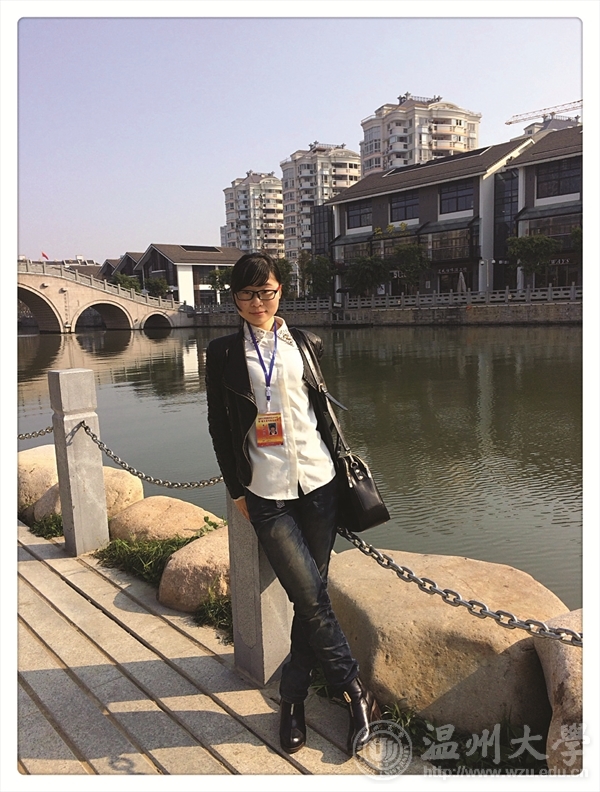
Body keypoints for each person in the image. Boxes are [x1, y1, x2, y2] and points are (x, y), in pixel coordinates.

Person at [205, 252, 380, 756]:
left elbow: (317, 413)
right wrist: (236, 490)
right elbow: (219, 425)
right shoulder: (222, 353)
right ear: (234, 298)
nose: (257, 302)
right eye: (247, 293)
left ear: (281, 290)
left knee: (311, 598)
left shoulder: (305, 342)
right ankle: (355, 691)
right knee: (310, 596)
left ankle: (293, 699)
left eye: (266, 291)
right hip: (267, 491)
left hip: (320, 484)